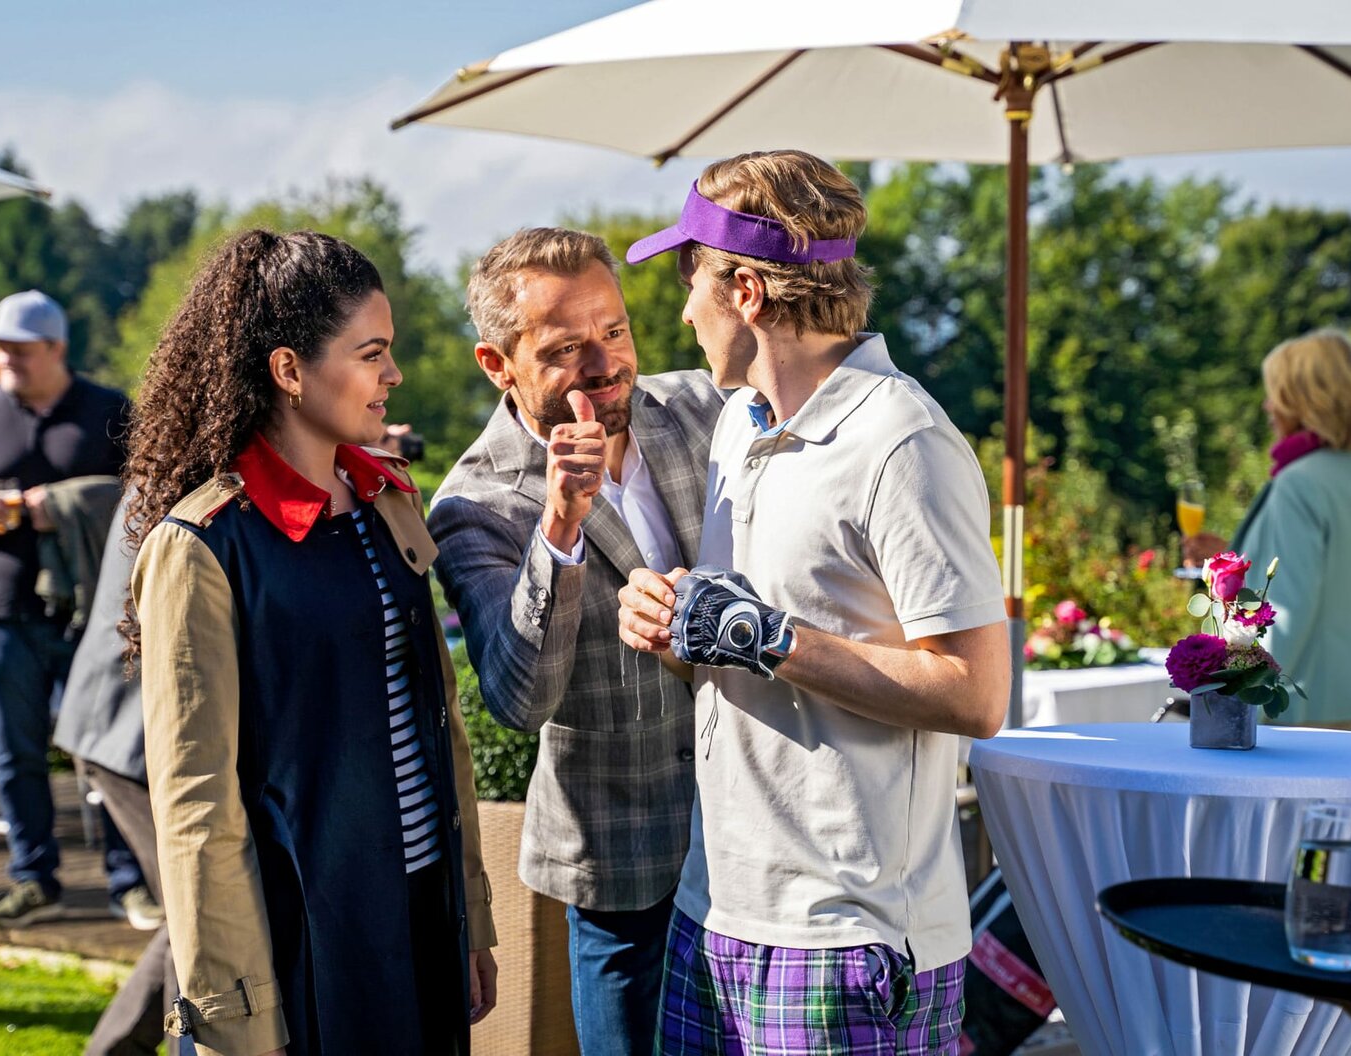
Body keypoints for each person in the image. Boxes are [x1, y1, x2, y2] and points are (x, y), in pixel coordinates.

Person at [617, 150, 1010, 1055]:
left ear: (746, 291)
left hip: (847, 938)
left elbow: (976, 693)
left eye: (690, 280)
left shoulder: (902, 441)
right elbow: (746, 644)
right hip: (713, 911)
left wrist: (767, 637)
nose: (683, 312)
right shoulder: (737, 423)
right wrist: (675, 624)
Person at [125, 229, 497, 1055]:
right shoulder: (204, 545)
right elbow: (195, 805)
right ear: (289, 370)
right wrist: (235, 1012)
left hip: (424, 916)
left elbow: (440, 728)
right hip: (305, 943)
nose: (393, 375)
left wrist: (469, 914)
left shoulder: (388, 500)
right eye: (372, 354)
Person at [429, 227, 725, 1055]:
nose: (604, 365)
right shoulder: (473, 504)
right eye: (564, 349)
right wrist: (558, 527)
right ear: (497, 364)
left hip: (755, 833)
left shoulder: (705, 409)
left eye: (614, 331)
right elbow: (518, 700)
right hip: (625, 872)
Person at [0, 289, 133, 928]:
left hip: (94, 613)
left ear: (57, 348)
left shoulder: (110, 411)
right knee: (15, 754)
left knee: (113, 749)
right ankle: (35, 881)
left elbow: (152, 490)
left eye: (19, 348)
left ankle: (133, 883)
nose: (5, 358)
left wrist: (67, 504)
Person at [1183, 329, 1351, 730]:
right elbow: (1326, 578)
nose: (1268, 405)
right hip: (1349, 692)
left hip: (1302, 707)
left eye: (1276, 394)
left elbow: (1285, 611)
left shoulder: (1299, 482)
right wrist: (1233, 558)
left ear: (1303, 399)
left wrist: (1246, 705)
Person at [53, 499, 173, 1056]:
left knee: (193, 916)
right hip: (126, 733)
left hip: (138, 730)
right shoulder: (182, 480)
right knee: (196, 915)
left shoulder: (175, 470)